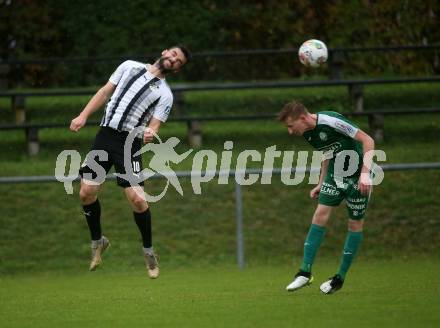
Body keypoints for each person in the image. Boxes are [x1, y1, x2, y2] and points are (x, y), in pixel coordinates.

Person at [69, 45, 191, 278]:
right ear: (165, 52)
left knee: (137, 199)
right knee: (86, 192)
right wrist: (83, 115)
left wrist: (149, 133)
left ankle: (148, 251)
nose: (174, 60)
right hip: (105, 136)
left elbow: (154, 127)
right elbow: (105, 92)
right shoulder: (129, 66)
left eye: (179, 62)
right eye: (174, 54)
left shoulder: (165, 94)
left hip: (128, 144)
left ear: (177, 69)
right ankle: (98, 242)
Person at [278, 101, 375, 294]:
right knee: (319, 215)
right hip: (335, 175)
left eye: (291, 126)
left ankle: (339, 278)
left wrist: (365, 174)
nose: (290, 131)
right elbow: (327, 153)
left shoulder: (331, 121)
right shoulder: (307, 133)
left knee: (354, 224)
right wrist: (321, 182)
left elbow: (368, 140)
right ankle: (304, 273)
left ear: (303, 118)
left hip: (357, 175)